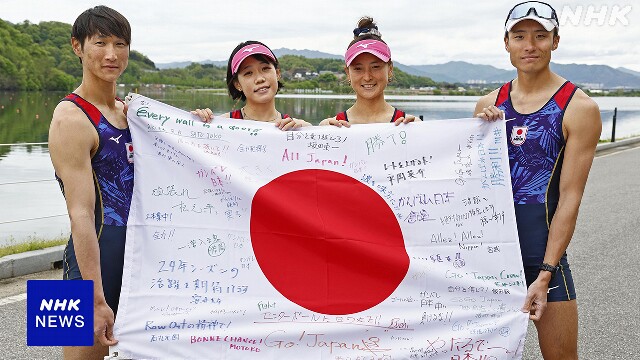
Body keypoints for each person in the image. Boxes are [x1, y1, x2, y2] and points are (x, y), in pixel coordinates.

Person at [475, 2, 601, 359]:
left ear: (555, 41)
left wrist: (545, 272)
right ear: (506, 43)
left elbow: (570, 198)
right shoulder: (488, 105)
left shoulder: (578, 107)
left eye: (540, 36)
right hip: (490, 261)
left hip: (543, 260)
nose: (530, 45)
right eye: (520, 36)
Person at [48, 6, 132, 359]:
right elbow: (80, 213)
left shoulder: (130, 112)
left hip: (137, 258)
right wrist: (95, 296)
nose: (111, 54)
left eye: (120, 44)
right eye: (100, 43)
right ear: (77, 47)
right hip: (85, 265)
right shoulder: (69, 117)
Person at [320, 16, 418, 127]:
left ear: (390, 69)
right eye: (358, 68)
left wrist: (416, 135)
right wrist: (298, 131)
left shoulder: (411, 125)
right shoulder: (329, 127)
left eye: (375, 67)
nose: (367, 77)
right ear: (348, 73)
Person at [191, 40, 310, 129]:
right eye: (248, 73)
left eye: (265, 68)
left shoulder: (298, 128)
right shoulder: (221, 126)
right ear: (237, 84)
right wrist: (197, 123)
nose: (259, 79)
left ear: (277, 73)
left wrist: (326, 129)